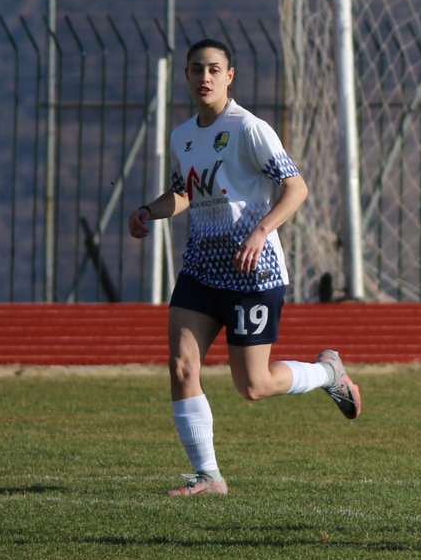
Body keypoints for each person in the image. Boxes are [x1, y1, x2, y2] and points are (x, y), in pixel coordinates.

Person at [129, 38, 360, 497]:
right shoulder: (182, 136)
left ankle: (327, 373)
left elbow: (295, 188)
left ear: (230, 75)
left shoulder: (250, 128)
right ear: (187, 76)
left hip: (254, 273)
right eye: (197, 69)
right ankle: (208, 476)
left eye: (214, 69)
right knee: (182, 366)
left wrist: (260, 231)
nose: (205, 77)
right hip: (201, 268)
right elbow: (184, 193)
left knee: (253, 385)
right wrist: (149, 211)